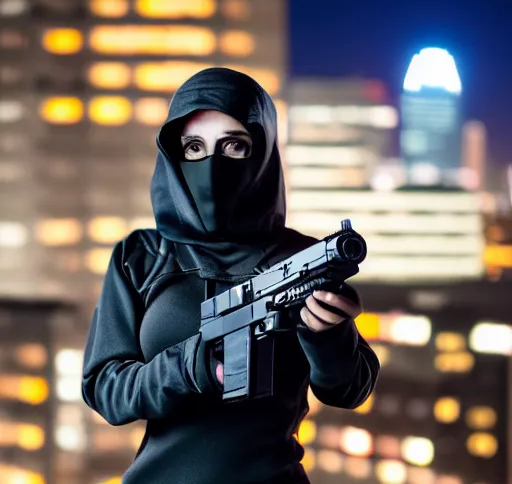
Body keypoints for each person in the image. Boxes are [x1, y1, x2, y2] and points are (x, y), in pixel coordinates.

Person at [81, 67, 380, 484]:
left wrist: (330, 335)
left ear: (262, 151)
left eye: (234, 146)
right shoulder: (142, 257)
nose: (212, 164)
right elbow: (104, 389)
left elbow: (350, 390)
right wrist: (189, 367)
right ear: (174, 154)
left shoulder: (300, 258)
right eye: (194, 147)